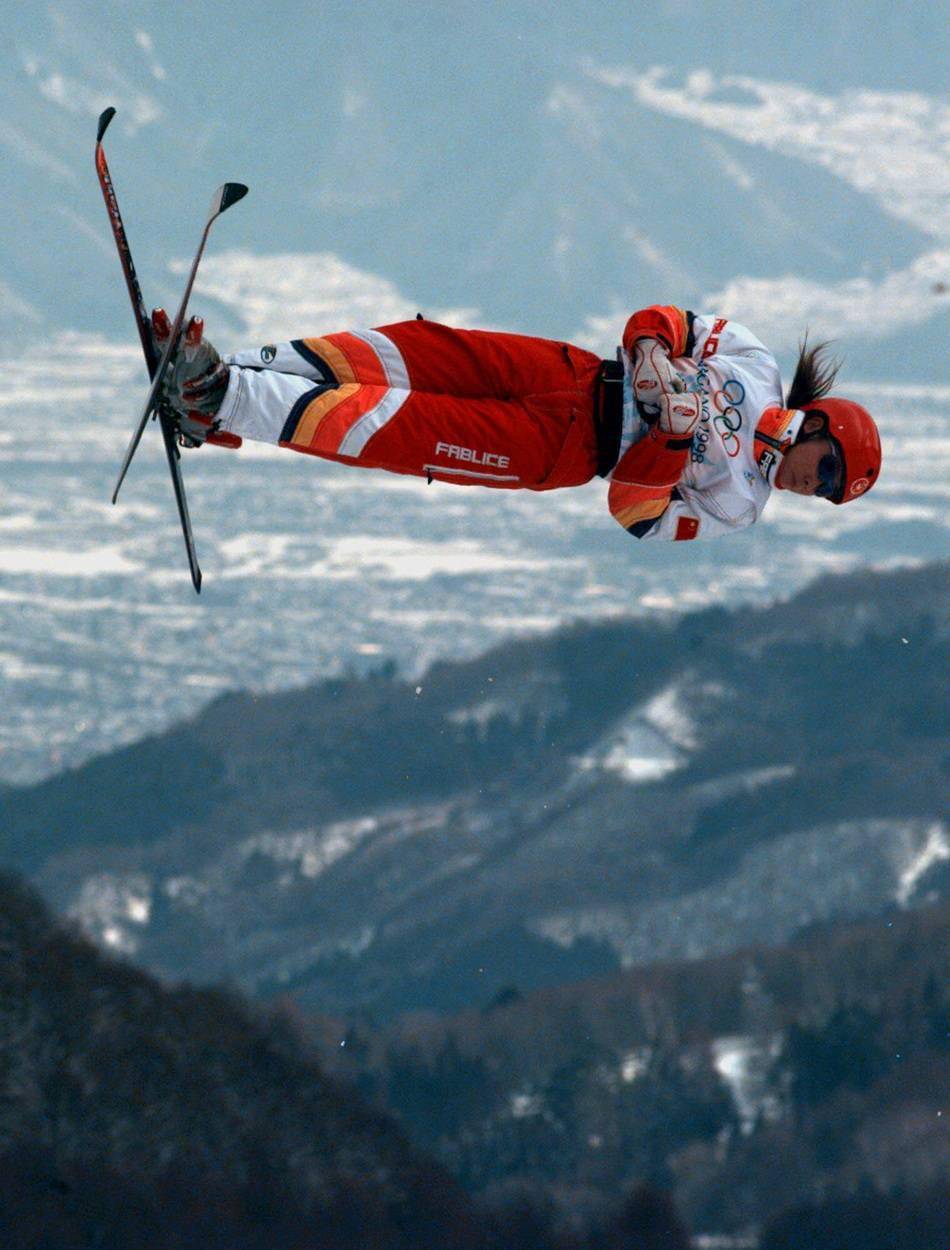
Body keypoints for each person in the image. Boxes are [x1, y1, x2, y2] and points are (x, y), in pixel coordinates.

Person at [152, 303, 882, 542]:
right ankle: (224, 374)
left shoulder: (738, 505)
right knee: (411, 351)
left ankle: (221, 397)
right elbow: (662, 320)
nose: (807, 484)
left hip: (563, 449)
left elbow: (635, 514)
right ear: (817, 425)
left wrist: (668, 440)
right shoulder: (753, 365)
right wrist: (655, 350)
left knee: (399, 425)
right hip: (571, 372)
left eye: (822, 491)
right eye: (824, 468)